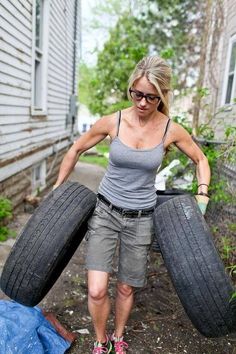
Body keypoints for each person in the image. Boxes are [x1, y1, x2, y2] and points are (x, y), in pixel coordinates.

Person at [53, 56, 211, 353]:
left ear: (162, 96)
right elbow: (76, 148)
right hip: (106, 213)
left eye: (151, 97)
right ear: (130, 91)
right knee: (98, 289)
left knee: (127, 286)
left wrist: (202, 193)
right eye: (136, 94)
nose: (142, 102)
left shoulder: (170, 130)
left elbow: (201, 159)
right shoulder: (113, 121)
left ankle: (119, 335)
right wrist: (57, 187)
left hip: (141, 219)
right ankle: (101, 339)